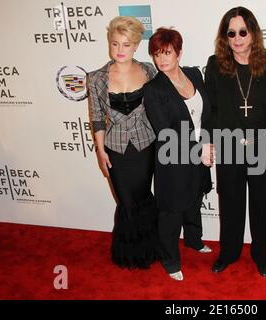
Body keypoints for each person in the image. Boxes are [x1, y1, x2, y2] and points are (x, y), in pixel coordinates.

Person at [205, 7, 266, 277]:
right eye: (231, 33)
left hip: (263, 144)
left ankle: (262, 256)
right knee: (230, 203)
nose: (238, 38)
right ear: (225, 37)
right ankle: (229, 253)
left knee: (263, 204)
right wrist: (208, 140)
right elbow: (211, 108)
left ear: (252, 33)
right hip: (229, 144)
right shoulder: (215, 64)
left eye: (243, 31)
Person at [87, 16, 159, 270]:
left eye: (126, 45)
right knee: (126, 202)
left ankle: (149, 251)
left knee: (142, 198)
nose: (119, 50)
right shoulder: (96, 78)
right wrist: (100, 151)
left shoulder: (149, 71)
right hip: (115, 149)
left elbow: (161, 107)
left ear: (136, 46)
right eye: (115, 43)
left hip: (146, 145)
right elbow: (97, 118)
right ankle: (130, 253)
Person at [144, 27, 213, 281]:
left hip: (200, 152)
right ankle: (170, 260)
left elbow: (206, 113)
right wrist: (199, 150)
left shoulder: (194, 74)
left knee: (194, 199)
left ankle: (194, 240)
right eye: (157, 54)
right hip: (173, 157)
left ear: (179, 53)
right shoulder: (154, 89)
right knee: (171, 211)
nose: (161, 59)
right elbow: (165, 132)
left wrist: (208, 143)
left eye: (167, 53)